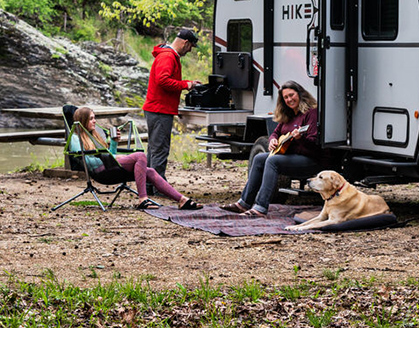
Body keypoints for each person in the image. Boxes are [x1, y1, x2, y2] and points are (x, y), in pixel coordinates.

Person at [69, 106, 201, 210]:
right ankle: (143, 199)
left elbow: (109, 154)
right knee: (140, 156)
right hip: (101, 172)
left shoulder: (95, 136)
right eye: (91, 118)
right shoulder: (75, 138)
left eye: (94, 118)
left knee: (149, 171)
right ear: (83, 121)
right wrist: (112, 156)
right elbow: (90, 161)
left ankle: (182, 200)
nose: (95, 121)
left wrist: (114, 142)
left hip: (109, 168)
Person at [221, 80, 322, 217]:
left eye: (291, 95)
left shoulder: (311, 113)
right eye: (285, 97)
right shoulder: (288, 114)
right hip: (291, 156)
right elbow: (276, 132)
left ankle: (260, 208)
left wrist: (300, 138)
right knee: (259, 158)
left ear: (300, 94)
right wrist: (272, 139)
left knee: (272, 161)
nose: (289, 99)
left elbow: (314, 144)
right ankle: (243, 204)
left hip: (310, 159)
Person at [142, 28, 201, 181]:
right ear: (185, 43)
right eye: (190, 48)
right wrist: (186, 85)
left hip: (158, 109)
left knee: (155, 149)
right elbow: (163, 81)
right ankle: (158, 185)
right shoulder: (168, 57)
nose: (189, 51)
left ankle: (150, 185)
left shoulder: (167, 55)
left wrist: (188, 84)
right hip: (159, 110)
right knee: (160, 150)